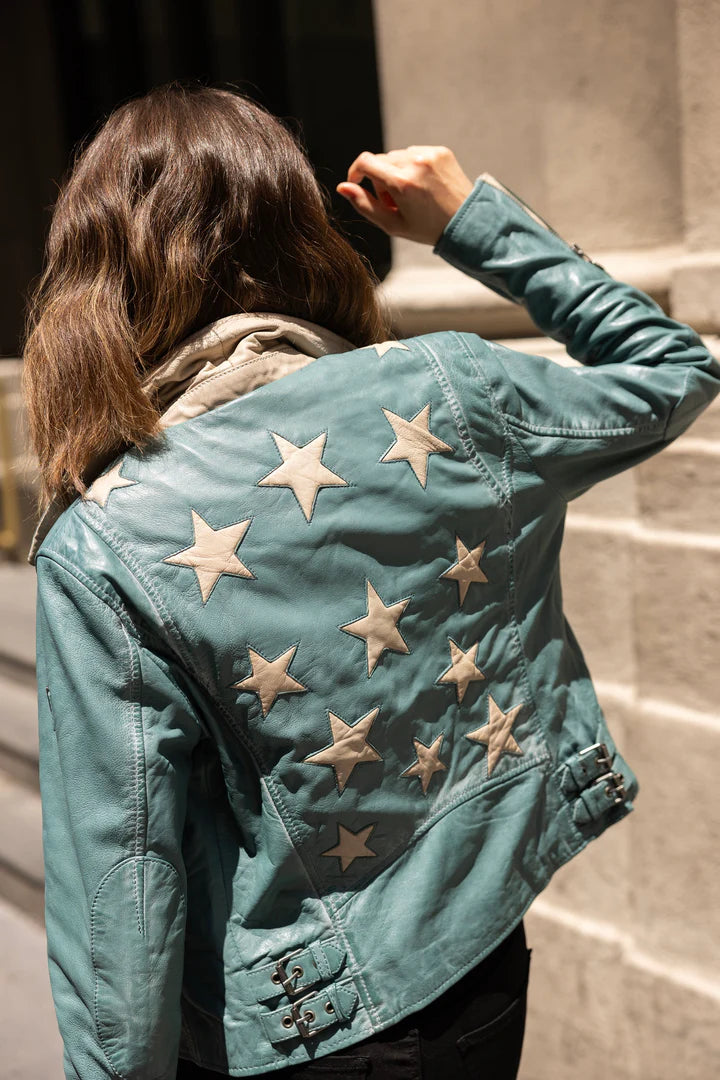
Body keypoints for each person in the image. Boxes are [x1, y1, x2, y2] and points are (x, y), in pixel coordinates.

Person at [22, 83, 719, 1080]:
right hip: (484, 972)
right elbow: (670, 367)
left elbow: (119, 897)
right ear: (303, 229)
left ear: (99, 269)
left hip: (296, 1033)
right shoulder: (457, 393)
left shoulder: (105, 537)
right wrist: (473, 218)